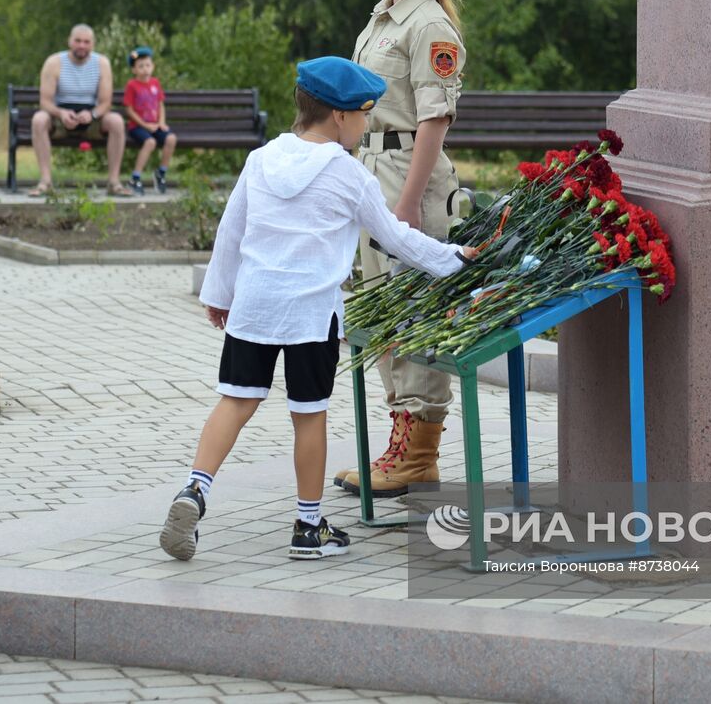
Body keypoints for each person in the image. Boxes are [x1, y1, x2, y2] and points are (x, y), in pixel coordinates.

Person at [161, 57, 476, 562]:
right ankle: (309, 528)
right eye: (364, 114)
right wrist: (454, 260)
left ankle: (194, 490)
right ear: (338, 117)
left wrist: (219, 294)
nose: (367, 123)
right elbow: (396, 240)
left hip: (255, 306)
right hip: (310, 315)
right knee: (308, 416)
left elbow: (231, 231)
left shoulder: (260, 159)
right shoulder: (350, 175)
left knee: (236, 401)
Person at [334, 0, 478, 498]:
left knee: (414, 311)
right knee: (380, 309)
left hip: (406, 177)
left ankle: (418, 457)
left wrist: (410, 203)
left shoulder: (429, 27)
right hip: (373, 168)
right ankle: (400, 448)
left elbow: (433, 120)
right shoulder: (383, 18)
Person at [29, 24, 132, 197]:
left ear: (93, 44)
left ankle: (114, 182)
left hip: (92, 118)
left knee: (116, 121)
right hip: (60, 117)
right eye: (77, 41)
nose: (82, 45)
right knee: (39, 119)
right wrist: (61, 113)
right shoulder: (54, 62)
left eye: (86, 42)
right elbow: (45, 102)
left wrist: (92, 114)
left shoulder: (102, 63)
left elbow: (106, 103)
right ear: (69, 41)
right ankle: (45, 182)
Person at [122, 45, 177, 196]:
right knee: (150, 142)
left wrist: (161, 122)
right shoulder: (132, 85)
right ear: (134, 70)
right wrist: (145, 125)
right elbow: (129, 109)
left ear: (152, 66)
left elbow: (160, 104)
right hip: (138, 126)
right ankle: (135, 177)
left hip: (155, 125)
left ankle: (161, 173)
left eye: (147, 65)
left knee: (171, 138)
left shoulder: (155, 83)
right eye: (140, 66)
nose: (145, 69)